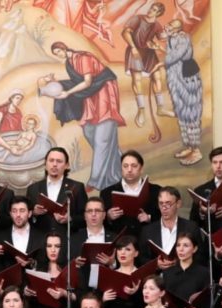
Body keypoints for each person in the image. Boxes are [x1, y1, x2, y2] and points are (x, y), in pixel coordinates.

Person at [42, 43, 125, 190]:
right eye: (56, 53)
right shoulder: (70, 63)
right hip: (90, 95)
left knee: (102, 139)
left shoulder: (83, 57)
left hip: (103, 92)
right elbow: (76, 82)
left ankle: (96, 180)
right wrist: (55, 83)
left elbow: (87, 81)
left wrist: (68, 93)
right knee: (89, 132)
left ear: (65, 48)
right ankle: (120, 169)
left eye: (59, 51)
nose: (59, 54)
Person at [122, 2, 175, 127]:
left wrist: (169, 33)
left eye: (154, 10)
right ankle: (141, 109)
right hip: (135, 51)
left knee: (157, 77)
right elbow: (125, 33)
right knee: (137, 80)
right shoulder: (137, 19)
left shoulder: (157, 25)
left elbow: (161, 37)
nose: (151, 11)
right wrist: (133, 48)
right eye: (151, 8)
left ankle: (160, 108)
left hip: (149, 53)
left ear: (158, 13)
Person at [164, 18, 204, 166]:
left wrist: (161, 63)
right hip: (177, 80)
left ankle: (196, 151)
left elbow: (174, 56)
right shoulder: (171, 38)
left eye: (171, 26)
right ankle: (189, 146)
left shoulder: (183, 38)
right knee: (181, 113)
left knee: (191, 113)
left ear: (178, 29)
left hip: (187, 80)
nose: (167, 27)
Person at [100, 150, 162, 238]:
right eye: (125, 166)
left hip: (147, 241)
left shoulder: (156, 190)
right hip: (120, 244)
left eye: (134, 166)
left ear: (141, 168)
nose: (129, 170)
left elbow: (166, 216)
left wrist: (149, 218)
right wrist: (108, 217)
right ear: (121, 168)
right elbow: (99, 222)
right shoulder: (106, 193)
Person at [25, 147, 88, 234]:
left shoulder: (77, 187)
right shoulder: (33, 189)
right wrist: (34, 213)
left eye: (59, 161)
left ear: (66, 165)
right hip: (41, 241)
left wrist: (70, 219)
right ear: (45, 164)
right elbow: (24, 217)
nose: (54, 164)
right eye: (51, 160)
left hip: (67, 240)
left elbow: (86, 217)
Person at [140, 187, 200, 266]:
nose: (164, 208)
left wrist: (179, 262)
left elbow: (201, 256)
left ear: (178, 204)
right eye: (161, 203)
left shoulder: (191, 227)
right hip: (157, 276)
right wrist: (156, 264)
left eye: (168, 203)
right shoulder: (147, 230)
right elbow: (140, 258)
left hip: (184, 275)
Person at [70, 196, 117, 291]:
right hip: (82, 291)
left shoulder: (115, 238)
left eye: (97, 211)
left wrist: (112, 263)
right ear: (84, 215)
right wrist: (75, 263)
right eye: (89, 211)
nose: (93, 214)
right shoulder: (73, 239)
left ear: (104, 215)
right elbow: (63, 264)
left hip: (108, 290)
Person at [103, 235, 146, 308]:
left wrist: (136, 293)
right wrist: (103, 299)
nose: (122, 252)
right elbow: (100, 304)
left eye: (128, 249)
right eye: (119, 249)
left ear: (136, 253)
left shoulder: (142, 276)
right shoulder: (109, 275)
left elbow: (146, 304)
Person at [0, 196, 46, 270]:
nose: (18, 215)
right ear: (10, 214)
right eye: (14, 211)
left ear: (30, 213)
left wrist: (32, 263)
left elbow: (45, 264)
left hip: (32, 280)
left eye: (22, 211)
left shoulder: (42, 236)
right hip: (8, 280)